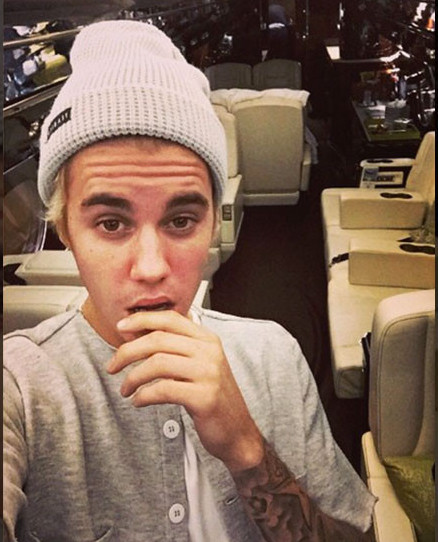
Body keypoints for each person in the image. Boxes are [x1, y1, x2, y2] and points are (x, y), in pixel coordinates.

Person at [3, 20, 376, 542]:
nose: (151, 267)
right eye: (111, 224)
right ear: (65, 229)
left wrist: (247, 448)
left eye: (180, 221)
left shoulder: (273, 356)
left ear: (212, 223)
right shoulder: (21, 385)